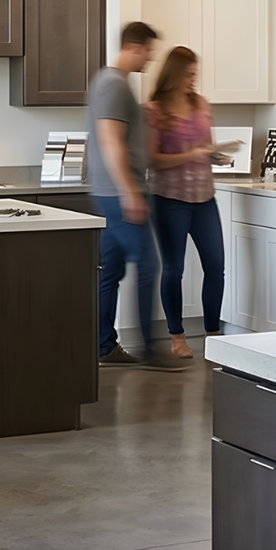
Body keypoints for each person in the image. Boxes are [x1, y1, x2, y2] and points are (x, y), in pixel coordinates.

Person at [88, 22, 188, 371]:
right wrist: (130, 191)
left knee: (110, 271)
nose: (149, 59)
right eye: (148, 51)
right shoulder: (114, 85)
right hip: (119, 193)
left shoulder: (107, 81)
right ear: (135, 46)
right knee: (148, 265)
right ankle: (149, 350)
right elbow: (111, 140)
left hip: (109, 192)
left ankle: (103, 345)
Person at [145, 46, 225, 360]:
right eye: (189, 74)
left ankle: (214, 334)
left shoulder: (202, 105)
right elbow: (152, 160)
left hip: (205, 199)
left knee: (216, 268)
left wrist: (214, 155)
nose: (194, 79)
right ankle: (177, 338)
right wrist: (191, 155)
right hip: (169, 200)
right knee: (173, 271)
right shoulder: (154, 110)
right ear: (174, 74)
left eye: (196, 74)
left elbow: (204, 146)